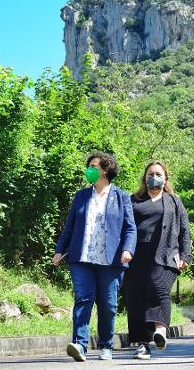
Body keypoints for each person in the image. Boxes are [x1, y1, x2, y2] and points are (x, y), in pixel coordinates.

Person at [52, 152, 136, 362]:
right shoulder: (81, 195)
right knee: (83, 299)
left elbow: (130, 228)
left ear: (105, 170)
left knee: (108, 305)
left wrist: (128, 249)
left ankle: (106, 345)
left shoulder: (121, 197)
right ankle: (80, 345)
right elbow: (69, 225)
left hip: (111, 260)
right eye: (89, 165)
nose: (89, 169)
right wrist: (59, 250)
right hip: (82, 257)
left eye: (93, 166)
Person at [125, 161, 192, 359]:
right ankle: (143, 344)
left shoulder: (174, 201)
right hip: (135, 256)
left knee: (158, 287)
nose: (154, 177)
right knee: (136, 298)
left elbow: (185, 230)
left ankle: (160, 331)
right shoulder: (133, 200)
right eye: (150, 173)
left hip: (165, 255)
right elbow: (124, 227)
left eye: (158, 173)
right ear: (144, 178)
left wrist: (185, 255)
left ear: (165, 178)